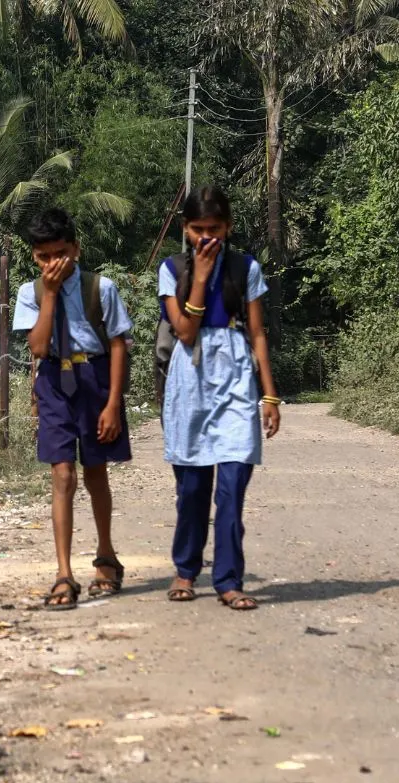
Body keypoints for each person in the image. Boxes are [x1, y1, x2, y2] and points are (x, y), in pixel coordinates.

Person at [157, 186, 282, 611]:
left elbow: (258, 333)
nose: (206, 237)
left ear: (227, 227)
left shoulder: (246, 268)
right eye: (197, 229)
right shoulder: (171, 270)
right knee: (192, 487)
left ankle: (229, 579)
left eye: (214, 229)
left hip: (234, 379)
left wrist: (269, 394)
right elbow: (185, 332)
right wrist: (202, 278)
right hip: (190, 380)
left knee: (232, 486)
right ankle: (186, 570)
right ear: (186, 229)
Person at [14, 207, 133, 610]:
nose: (52, 263)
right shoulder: (30, 294)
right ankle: (64, 572)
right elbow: (37, 347)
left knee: (95, 472)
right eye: (44, 256)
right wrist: (48, 295)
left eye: (60, 254)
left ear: (76, 250)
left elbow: (118, 344)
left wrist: (113, 403)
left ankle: (106, 558)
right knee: (62, 474)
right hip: (52, 382)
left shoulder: (102, 288)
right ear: (35, 256)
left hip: (95, 380)